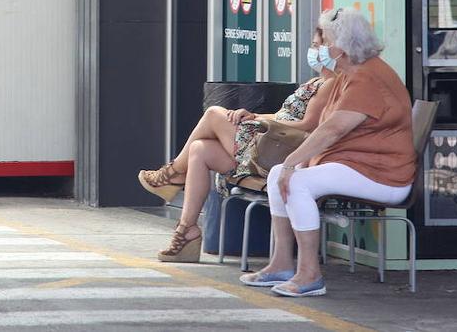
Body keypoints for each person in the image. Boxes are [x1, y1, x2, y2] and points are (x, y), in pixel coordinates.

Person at [243, 7, 415, 297]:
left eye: (323, 41)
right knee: (276, 176)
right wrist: (291, 166)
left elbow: (332, 130)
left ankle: (309, 274)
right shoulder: (348, 75)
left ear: (342, 46)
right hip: (355, 165)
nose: (319, 49)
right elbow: (325, 129)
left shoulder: (367, 79)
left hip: (384, 175)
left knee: (294, 179)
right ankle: (282, 263)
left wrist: (292, 164)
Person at [136, 27, 340, 262]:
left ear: (334, 49)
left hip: (281, 152)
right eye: (313, 45)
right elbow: (285, 117)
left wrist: (262, 122)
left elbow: (307, 127)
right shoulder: (317, 81)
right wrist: (254, 115)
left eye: (318, 46)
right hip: (272, 142)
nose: (313, 51)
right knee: (200, 149)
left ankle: (171, 174)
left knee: (214, 114)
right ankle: (186, 231)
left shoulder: (330, 85)